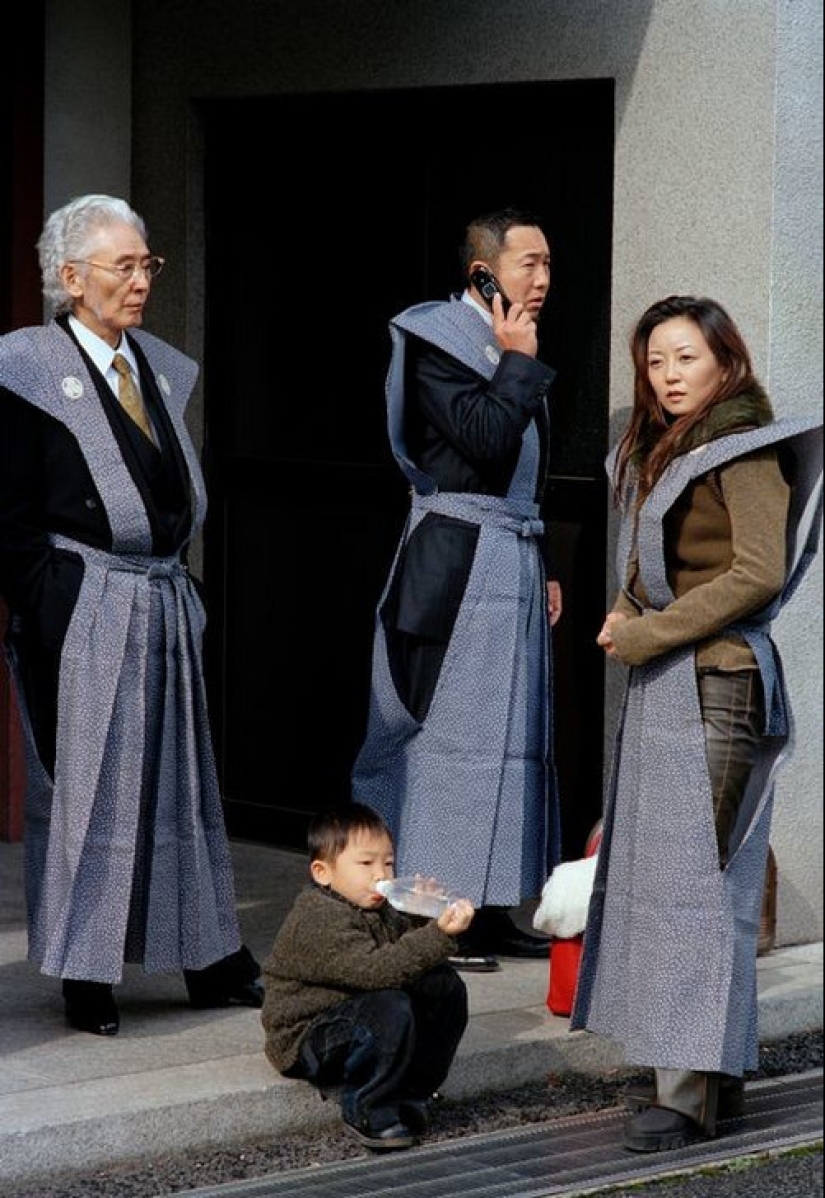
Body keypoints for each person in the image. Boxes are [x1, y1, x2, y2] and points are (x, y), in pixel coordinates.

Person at [0, 194, 263, 1037]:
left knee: (182, 789)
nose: (142, 280)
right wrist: (56, 598)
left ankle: (209, 957)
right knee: (91, 797)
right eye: (125, 265)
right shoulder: (27, 367)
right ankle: (87, 977)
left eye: (147, 264)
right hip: (87, 602)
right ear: (71, 278)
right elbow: (8, 516)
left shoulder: (154, 364)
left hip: (160, 596)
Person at [570, 295, 823, 1152]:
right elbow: (652, 564)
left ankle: (684, 1096)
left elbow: (755, 572)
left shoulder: (744, 450)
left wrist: (644, 631)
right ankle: (703, 1077)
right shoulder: (658, 446)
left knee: (690, 881)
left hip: (719, 682)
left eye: (685, 359)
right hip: (669, 678)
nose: (669, 376)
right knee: (664, 877)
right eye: (654, 362)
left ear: (725, 361)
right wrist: (621, 610)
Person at [351, 207, 563, 971]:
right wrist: (514, 362)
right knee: (444, 739)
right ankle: (431, 914)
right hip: (454, 550)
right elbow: (479, 438)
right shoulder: (436, 334)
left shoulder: (512, 343)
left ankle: (493, 900)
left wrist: (548, 566)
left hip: (511, 550)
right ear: (482, 271)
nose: (541, 279)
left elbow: (526, 469)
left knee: (510, 738)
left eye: (546, 265)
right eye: (526, 265)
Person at [260, 802, 473, 1151]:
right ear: (322, 873)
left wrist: (423, 913)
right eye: (366, 863)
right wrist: (437, 934)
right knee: (390, 1006)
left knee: (443, 986)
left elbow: (408, 955)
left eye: (388, 862)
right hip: (309, 1037)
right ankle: (367, 1107)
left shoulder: (379, 905)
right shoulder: (317, 916)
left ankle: (412, 1094)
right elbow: (377, 971)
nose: (381, 874)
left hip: (357, 1012)